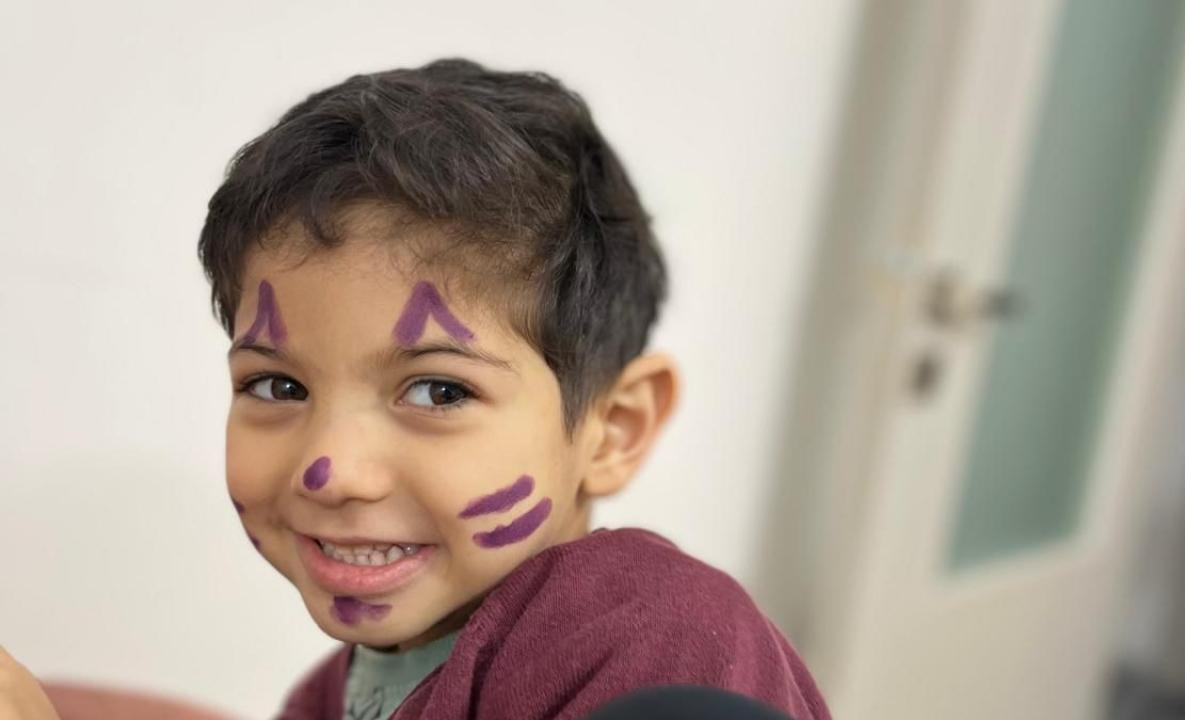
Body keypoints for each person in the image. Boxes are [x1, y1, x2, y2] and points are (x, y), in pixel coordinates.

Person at [0, 58, 830, 720]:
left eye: (437, 392)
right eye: (278, 385)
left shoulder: (657, 633)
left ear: (613, 428)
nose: (332, 471)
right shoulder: (342, 687)